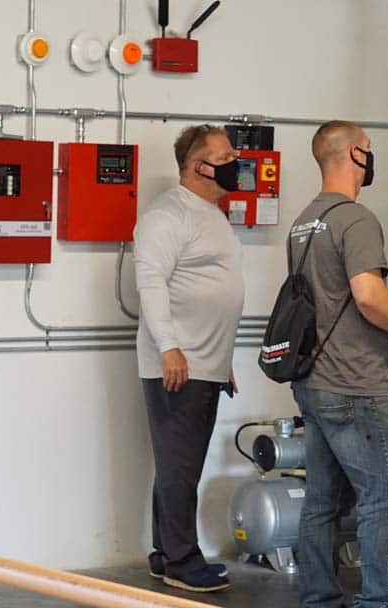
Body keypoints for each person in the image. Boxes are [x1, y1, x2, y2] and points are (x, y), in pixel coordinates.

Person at [289, 120, 388, 608]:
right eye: (369, 148)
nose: (371, 156)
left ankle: (318, 597)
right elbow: (367, 295)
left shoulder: (305, 221)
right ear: (355, 155)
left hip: (314, 381)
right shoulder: (355, 219)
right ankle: (379, 600)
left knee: (321, 501)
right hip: (356, 384)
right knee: (383, 498)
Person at [133, 124, 244, 593]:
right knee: (181, 467)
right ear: (199, 166)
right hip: (179, 364)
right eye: (225, 156)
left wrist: (221, 358)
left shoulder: (211, 214)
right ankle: (182, 560)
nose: (236, 161)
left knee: (178, 465)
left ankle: (166, 553)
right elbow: (150, 282)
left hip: (204, 362)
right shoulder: (168, 214)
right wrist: (169, 347)